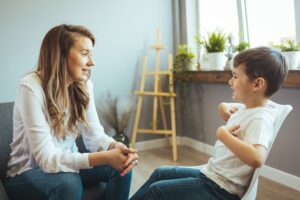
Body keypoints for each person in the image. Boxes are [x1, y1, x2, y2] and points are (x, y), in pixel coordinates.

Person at [130, 46, 288, 200]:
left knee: (157, 191)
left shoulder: (260, 118)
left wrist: (223, 134)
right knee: (160, 173)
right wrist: (223, 107)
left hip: (221, 189)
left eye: (235, 76)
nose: (230, 82)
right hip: (212, 174)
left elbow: (257, 158)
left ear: (257, 84)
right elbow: (227, 107)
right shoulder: (249, 107)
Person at [3, 24, 138, 200]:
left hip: (66, 164)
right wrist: (103, 156)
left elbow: (95, 136)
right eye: (84, 54)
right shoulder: (30, 87)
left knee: (121, 167)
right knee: (69, 182)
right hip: (27, 173)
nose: (92, 62)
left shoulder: (83, 86)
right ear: (61, 55)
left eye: (91, 54)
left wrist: (114, 147)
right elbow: (46, 159)